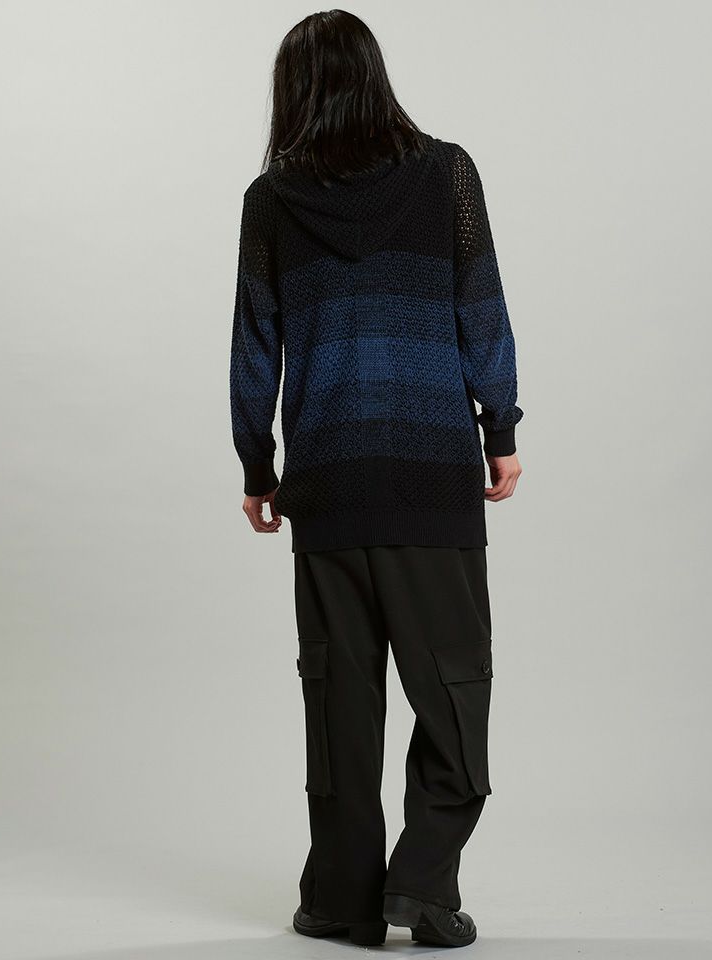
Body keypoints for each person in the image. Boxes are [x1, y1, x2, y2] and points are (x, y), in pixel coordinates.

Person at [229, 8, 523, 949]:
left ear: (295, 93)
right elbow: (480, 305)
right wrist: (500, 426)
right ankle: (423, 888)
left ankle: (344, 901)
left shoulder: (272, 199)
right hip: (431, 477)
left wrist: (257, 462)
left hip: (326, 483)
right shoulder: (448, 175)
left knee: (339, 706)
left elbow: (255, 341)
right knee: (455, 688)